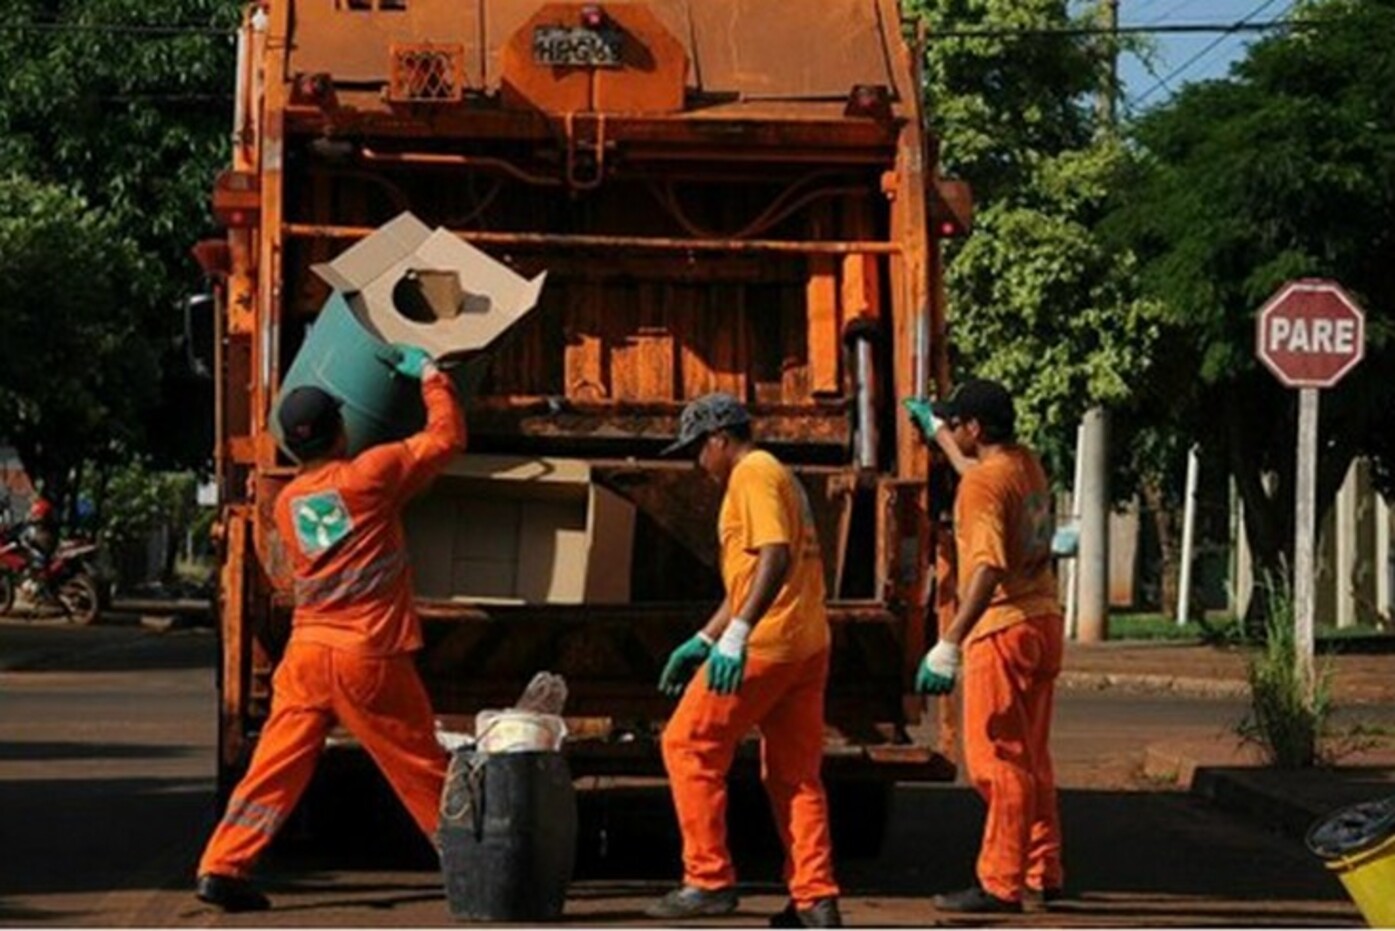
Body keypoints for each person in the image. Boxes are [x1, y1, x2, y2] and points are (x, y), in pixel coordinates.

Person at [194, 345, 466, 912]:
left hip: (308, 655)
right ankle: (474, 863)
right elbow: (446, 440)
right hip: (368, 655)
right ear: (340, 431)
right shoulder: (371, 475)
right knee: (420, 765)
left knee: (276, 764)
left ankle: (223, 864)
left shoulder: (292, 502)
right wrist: (432, 378)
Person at [648, 392, 842, 928]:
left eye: (697, 450)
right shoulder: (777, 475)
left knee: (687, 744)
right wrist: (707, 638)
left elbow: (775, 557)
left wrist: (737, 636)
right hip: (805, 644)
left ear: (720, 439)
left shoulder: (752, 474)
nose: (697, 463)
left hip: (767, 644)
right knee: (795, 775)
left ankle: (707, 879)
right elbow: (752, 573)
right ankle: (814, 897)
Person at [907, 378, 1065, 914]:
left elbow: (988, 566)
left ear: (975, 428)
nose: (950, 428)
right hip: (1043, 622)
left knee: (996, 762)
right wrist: (942, 440)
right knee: (1032, 758)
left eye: (955, 423)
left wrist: (949, 641)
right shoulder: (1025, 463)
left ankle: (1000, 882)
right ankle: (1043, 868)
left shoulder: (979, 488)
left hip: (1001, 628)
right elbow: (985, 478)